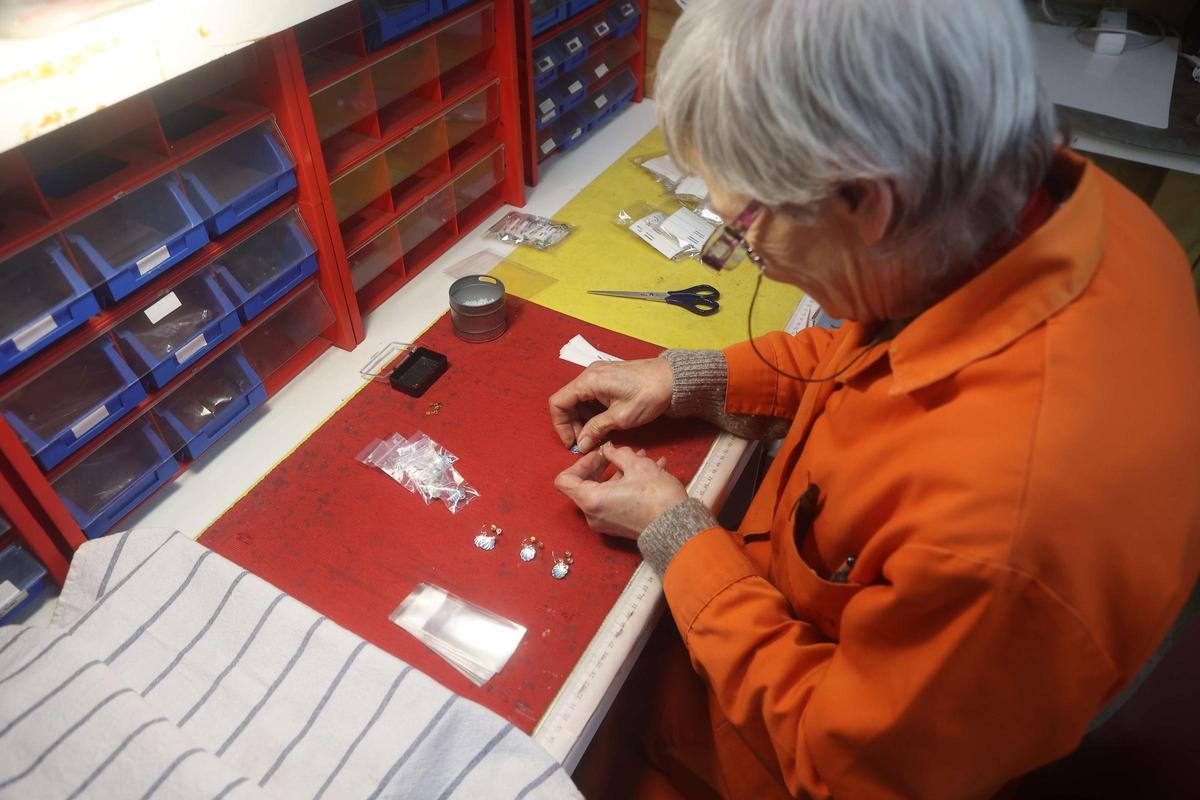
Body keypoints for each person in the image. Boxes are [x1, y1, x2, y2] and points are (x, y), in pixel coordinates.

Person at [548, 1, 1200, 797]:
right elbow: (878, 356)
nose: (749, 256)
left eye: (746, 225)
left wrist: (680, 539)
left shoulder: (1001, 526)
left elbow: (844, 770)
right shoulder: (1048, 214)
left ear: (869, 201)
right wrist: (692, 377)